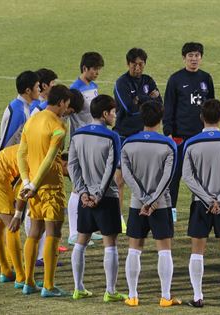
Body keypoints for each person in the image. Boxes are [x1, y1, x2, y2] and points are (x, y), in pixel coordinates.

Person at [18, 85, 83, 297]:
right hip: (51, 186)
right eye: (67, 104)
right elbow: (50, 158)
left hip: (33, 187)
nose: (67, 108)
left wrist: (28, 182)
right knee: (53, 233)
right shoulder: (58, 126)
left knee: (34, 232)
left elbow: (21, 154)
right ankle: (48, 285)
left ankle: (28, 282)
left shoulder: (32, 120)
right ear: (62, 102)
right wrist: (36, 183)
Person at [181, 99, 220, 308]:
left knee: (197, 250)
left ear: (201, 118)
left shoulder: (191, 143)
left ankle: (198, 297)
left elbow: (188, 177)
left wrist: (208, 199)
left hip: (201, 203)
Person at [67, 94, 127, 302]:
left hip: (84, 197)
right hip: (106, 197)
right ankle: (110, 291)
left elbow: (72, 166)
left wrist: (83, 192)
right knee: (110, 243)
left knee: (81, 241)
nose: (115, 115)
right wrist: (98, 194)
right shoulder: (113, 137)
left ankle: (78, 288)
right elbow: (111, 168)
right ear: (105, 114)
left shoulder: (78, 134)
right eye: (113, 111)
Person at [121, 100, 180, 307]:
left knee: (134, 249)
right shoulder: (168, 144)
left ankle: (133, 296)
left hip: (138, 204)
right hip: (160, 204)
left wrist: (143, 198)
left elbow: (127, 176)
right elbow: (168, 177)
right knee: (164, 249)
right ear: (161, 118)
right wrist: (153, 200)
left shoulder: (128, 143)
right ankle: (165, 297)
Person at [112, 47, 162, 232]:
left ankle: (145, 211)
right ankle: (118, 218)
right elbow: (129, 108)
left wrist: (138, 99)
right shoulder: (121, 82)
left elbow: (159, 105)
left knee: (145, 176)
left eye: (141, 64)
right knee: (120, 179)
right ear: (128, 64)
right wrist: (147, 99)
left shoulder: (148, 80)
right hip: (124, 136)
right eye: (134, 64)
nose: (138, 68)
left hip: (143, 136)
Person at [163, 42, 215, 220]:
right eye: (190, 55)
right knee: (174, 177)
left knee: (202, 177)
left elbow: (212, 106)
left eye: (197, 55)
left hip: (201, 136)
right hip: (180, 137)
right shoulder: (175, 79)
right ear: (184, 57)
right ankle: (172, 212)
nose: (194, 58)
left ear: (201, 57)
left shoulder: (206, 78)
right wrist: (168, 132)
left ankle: (203, 209)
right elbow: (168, 106)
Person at [68, 52, 105, 246]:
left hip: (93, 139)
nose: (97, 72)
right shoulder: (74, 90)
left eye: (99, 69)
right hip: (81, 142)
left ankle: (88, 228)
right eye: (95, 69)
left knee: (91, 183)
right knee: (78, 186)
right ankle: (74, 232)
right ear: (85, 69)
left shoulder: (94, 86)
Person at [0, 145, 28, 288]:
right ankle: (20, 276)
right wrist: (18, 214)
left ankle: (5, 270)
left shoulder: (30, 144)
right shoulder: (36, 155)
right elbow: (22, 188)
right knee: (12, 226)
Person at [0, 70, 39, 153]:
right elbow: (6, 144)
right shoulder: (19, 112)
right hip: (9, 162)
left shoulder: (23, 106)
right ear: (28, 91)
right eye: (37, 87)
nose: (39, 89)